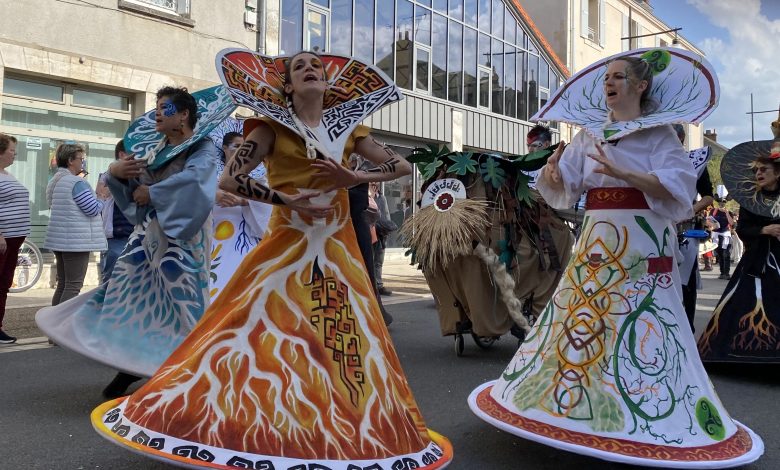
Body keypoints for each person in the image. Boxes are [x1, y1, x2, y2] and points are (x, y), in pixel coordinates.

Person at [91, 50, 452, 468]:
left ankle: (339, 424)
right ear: (288, 85)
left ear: (327, 81)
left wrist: (355, 177)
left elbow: (401, 166)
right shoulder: (270, 127)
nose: (310, 69)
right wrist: (287, 200)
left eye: (316, 65)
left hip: (338, 245)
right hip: (288, 240)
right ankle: (258, 418)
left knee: (344, 335)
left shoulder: (349, 129)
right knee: (260, 326)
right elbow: (230, 179)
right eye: (300, 66)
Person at [470, 52, 762, 466]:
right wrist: (554, 172)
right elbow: (565, 186)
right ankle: (573, 405)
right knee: (586, 315)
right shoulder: (591, 134)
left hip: (642, 237)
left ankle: (641, 409)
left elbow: (679, 192)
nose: (609, 83)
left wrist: (627, 173)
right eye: (606, 77)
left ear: (641, 87)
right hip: (597, 235)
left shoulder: (661, 135)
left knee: (639, 320)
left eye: (618, 77)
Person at [36, 86, 219, 398]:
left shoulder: (203, 148)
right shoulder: (151, 147)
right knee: (124, 292)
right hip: (147, 234)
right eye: (158, 107)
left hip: (184, 238)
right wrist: (115, 172)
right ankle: (129, 363)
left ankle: (197, 373)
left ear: (184, 114)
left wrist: (155, 192)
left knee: (184, 304)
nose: (158, 113)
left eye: (166, 107)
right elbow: (130, 187)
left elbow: (197, 179)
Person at [698, 136, 780, 363]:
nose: (759, 174)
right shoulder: (750, 200)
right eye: (757, 171)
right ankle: (744, 353)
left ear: (777, 173)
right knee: (746, 305)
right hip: (757, 261)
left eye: (764, 170)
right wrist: (765, 230)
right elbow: (742, 229)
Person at [209, 130, 271, 299]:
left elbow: (268, 206)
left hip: (244, 234)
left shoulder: (257, 179)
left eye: (245, 147)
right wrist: (213, 196)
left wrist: (245, 201)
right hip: (213, 234)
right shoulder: (209, 176)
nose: (240, 151)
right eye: (237, 146)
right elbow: (194, 199)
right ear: (224, 148)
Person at [43, 143, 107, 306]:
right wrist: (101, 196)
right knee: (73, 286)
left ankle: (53, 322)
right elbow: (92, 209)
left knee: (63, 284)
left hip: (59, 239)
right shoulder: (77, 183)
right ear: (71, 160)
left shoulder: (54, 181)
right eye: (81, 159)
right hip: (76, 242)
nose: (83, 163)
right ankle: (62, 325)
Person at [672, 123, 715, 332]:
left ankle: (686, 329)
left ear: (679, 139)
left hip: (683, 231)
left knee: (684, 284)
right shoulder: (648, 159)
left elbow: (708, 196)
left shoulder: (694, 161)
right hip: (655, 225)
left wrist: (688, 210)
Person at [0, 134, 30, 344]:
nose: (15, 154)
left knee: (3, 284)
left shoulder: (6, 174)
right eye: (12, 150)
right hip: (3, 239)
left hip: (14, 239)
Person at [96, 140, 134, 283]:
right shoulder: (108, 175)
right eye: (134, 153)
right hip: (116, 237)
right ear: (122, 154)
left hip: (131, 235)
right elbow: (101, 192)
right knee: (110, 282)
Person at [370, 181, 396, 296]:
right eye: (372, 182)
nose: (374, 184)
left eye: (376, 182)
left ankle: (379, 285)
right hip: (370, 233)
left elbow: (386, 215)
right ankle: (371, 286)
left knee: (379, 261)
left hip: (381, 234)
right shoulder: (366, 197)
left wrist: (387, 229)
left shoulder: (382, 198)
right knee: (369, 260)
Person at [711, 201, 734, 279]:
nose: (721, 204)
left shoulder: (729, 212)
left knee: (726, 254)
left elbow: (731, 223)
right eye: (720, 202)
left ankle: (727, 273)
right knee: (720, 254)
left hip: (726, 235)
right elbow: (709, 222)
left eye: (723, 202)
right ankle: (722, 273)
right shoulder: (713, 211)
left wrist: (727, 213)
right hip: (716, 235)